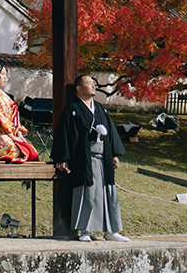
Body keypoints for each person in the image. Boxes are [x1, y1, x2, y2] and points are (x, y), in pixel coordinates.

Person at [52, 74, 129, 242]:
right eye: (89, 84)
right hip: (84, 158)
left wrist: (114, 154)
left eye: (94, 84)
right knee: (88, 193)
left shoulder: (101, 109)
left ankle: (111, 230)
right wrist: (62, 157)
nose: (94, 86)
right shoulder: (72, 110)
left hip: (104, 157)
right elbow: (65, 134)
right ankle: (84, 230)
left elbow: (110, 132)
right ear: (79, 89)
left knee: (108, 193)